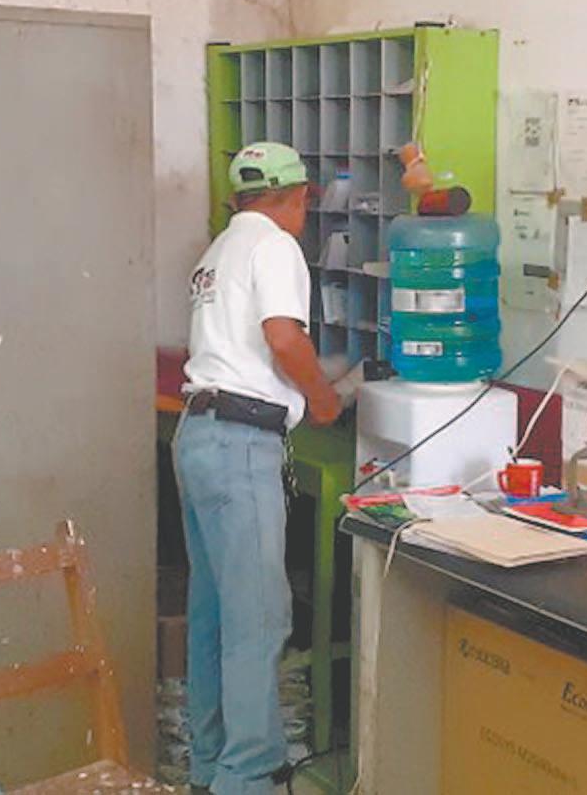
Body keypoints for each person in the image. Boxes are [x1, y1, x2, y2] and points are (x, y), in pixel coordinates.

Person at [176, 142, 342, 795]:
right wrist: (324, 399)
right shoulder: (275, 245)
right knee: (260, 617)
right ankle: (246, 777)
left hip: (198, 434)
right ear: (294, 196)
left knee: (215, 613)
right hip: (240, 443)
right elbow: (283, 338)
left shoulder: (218, 250)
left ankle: (210, 765)